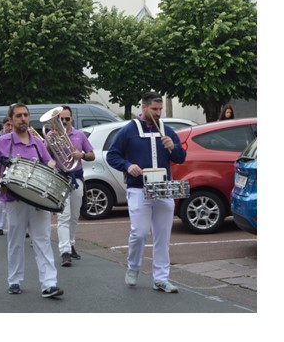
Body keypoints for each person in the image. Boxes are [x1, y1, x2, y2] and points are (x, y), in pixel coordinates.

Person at [106, 92, 186, 293]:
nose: (158, 113)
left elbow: (181, 157)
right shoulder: (128, 131)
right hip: (138, 188)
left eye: (160, 110)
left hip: (163, 189)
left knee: (162, 235)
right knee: (139, 233)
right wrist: (127, 165)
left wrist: (173, 147)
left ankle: (161, 278)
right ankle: (133, 267)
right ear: (143, 107)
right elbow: (112, 155)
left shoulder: (166, 130)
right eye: (154, 109)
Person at [0, 103, 63, 298]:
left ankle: (49, 284)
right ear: (10, 120)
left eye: (25, 115)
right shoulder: (2, 142)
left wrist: (54, 167)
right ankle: (14, 280)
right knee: (16, 241)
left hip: (38, 199)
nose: (23, 118)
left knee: (42, 240)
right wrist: (0, 181)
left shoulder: (37, 142)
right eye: (18, 115)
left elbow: (49, 163)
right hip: (14, 199)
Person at [50, 106, 95, 267]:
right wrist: (51, 139)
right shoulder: (51, 135)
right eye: (61, 119)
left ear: (71, 119)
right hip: (60, 177)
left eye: (66, 119)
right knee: (63, 216)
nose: (64, 121)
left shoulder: (79, 135)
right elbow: (46, 155)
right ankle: (65, 251)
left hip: (76, 177)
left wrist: (81, 155)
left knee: (75, 215)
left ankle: (71, 243)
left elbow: (92, 155)